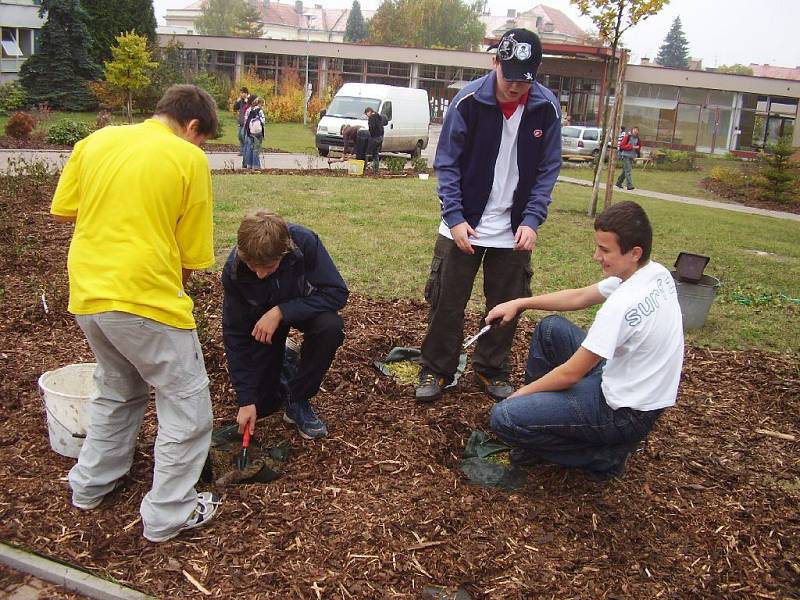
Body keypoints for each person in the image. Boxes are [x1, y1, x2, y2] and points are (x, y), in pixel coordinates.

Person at [51, 85, 221, 543]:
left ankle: (90, 486)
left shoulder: (96, 141)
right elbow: (192, 254)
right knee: (188, 407)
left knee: (118, 390)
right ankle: (169, 514)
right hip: (145, 297)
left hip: (88, 295)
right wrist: (170, 296)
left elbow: (66, 210)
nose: (199, 147)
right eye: (202, 138)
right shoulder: (187, 159)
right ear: (191, 127)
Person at [414, 28, 562, 403]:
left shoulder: (546, 107)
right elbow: (446, 163)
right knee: (446, 301)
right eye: (509, 76)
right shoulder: (467, 102)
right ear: (494, 61)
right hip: (463, 224)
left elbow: (548, 170)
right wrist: (454, 216)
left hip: (514, 231)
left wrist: (531, 219)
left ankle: (490, 368)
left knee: (507, 303)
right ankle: (436, 368)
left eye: (524, 80)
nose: (515, 87)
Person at [487, 201, 684, 481]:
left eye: (604, 250)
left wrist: (521, 396)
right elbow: (579, 297)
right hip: (640, 392)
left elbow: (570, 374)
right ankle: (539, 430)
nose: (595, 256)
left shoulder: (622, 305)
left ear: (634, 252)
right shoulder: (654, 274)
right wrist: (520, 303)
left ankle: (603, 458)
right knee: (550, 329)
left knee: (504, 417)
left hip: (623, 412)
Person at [222, 210, 349, 441]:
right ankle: (285, 359)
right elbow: (235, 336)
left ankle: (298, 399)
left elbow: (337, 294)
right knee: (264, 405)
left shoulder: (304, 243)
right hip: (262, 326)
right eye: (253, 267)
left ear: (285, 252)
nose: (260, 275)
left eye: (268, 268)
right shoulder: (234, 271)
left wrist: (282, 311)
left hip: (301, 308)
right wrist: (246, 400)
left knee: (330, 326)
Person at [243, 96, 266, 169]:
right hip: (257, 132)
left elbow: (246, 120)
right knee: (256, 148)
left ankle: (249, 164)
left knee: (250, 148)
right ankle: (256, 165)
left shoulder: (249, 109)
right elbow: (263, 121)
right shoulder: (260, 111)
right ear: (260, 103)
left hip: (250, 131)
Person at [616, 126, 641, 190]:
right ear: (632, 131)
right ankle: (629, 185)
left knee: (625, 171)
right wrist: (631, 147)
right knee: (628, 170)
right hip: (625, 155)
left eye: (636, 131)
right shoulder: (627, 137)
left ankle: (619, 182)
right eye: (634, 131)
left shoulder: (638, 139)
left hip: (632, 156)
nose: (635, 132)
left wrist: (637, 155)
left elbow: (638, 148)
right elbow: (622, 146)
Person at [364, 107, 384, 172]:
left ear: (369, 112)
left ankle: (365, 167)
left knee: (366, 152)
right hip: (380, 137)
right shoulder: (378, 116)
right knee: (376, 154)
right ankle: (376, 169)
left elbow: (371, 127)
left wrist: (370, 135)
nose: (367, 116)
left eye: (366, 114)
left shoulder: (371, 118)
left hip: (374, 138)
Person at [233, 86, 249, 156]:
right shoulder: (240, 101)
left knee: (243, 135)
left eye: (242, 93)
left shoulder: (249, 100)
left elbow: (250, 108)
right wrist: (237, 101)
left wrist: (246, 101)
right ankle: (242, 151)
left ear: (246, 93)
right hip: (240, 121)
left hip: (246, 122)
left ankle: (244, 151)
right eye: (240, 93)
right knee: (240, 136)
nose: (241, 94)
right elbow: (235, 108)